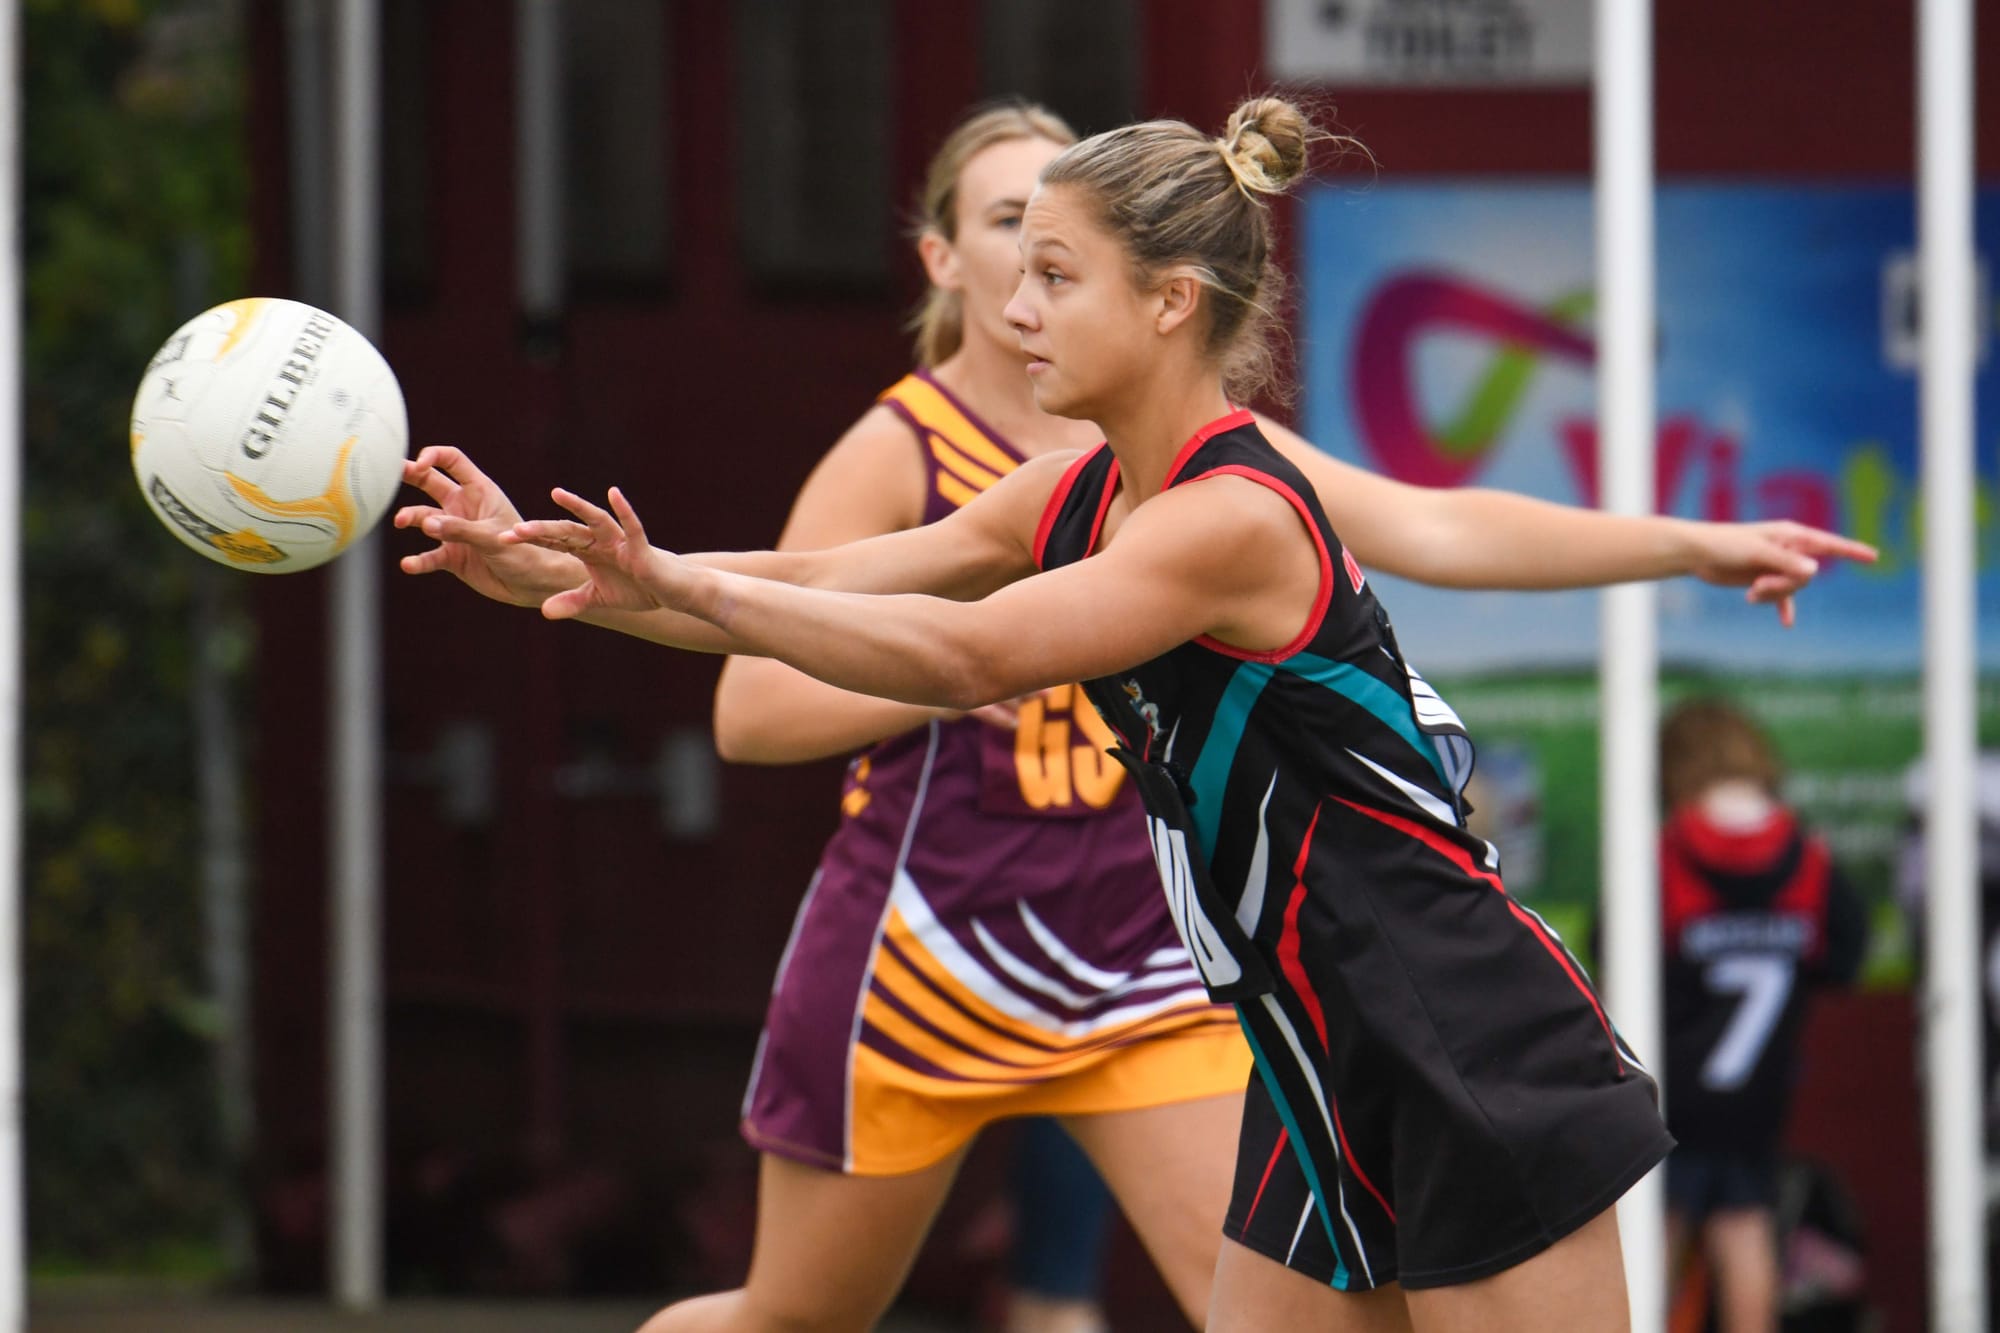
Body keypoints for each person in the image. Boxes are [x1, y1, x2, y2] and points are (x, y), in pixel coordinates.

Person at [408, 95, 1873, 1331]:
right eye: (1013, 265)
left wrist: (670, 585)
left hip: (1459, 1042)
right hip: (1312, 1051)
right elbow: (820, 577)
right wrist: (559, 570)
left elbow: (965, 656)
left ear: (1171, 302)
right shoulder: (1083, 487)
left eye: (1056, 274)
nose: (1015, 308)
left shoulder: (1226, 521)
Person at [1657, 700, 1867, 1333]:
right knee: (1746, 1238)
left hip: (1669, 1099)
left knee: (1649, 1252)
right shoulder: (1808, 858)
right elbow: (1845, 957)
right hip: (1758, 1102)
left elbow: (1617, 957)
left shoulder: (1665, 855)